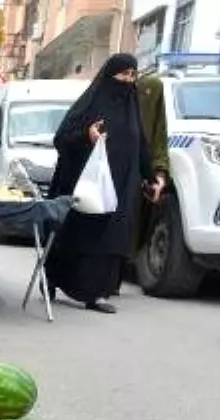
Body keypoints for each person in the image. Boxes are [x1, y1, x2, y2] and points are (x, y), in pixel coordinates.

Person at [45, 53, 162, 314]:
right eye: (123, 74)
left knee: (111, 237)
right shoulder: (89, 104)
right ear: (110, 76)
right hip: (84, 185)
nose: (128, 80)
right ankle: (52, 280)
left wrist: (151, 178)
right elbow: (61, 138)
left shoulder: (132, 111)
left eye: (133, 75)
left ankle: (97, 293)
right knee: (77, 235)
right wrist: (87, 136)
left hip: (120, 188)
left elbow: (140, 146)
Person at [128, 73, 171, 285]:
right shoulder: (118, 101)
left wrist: (159, 175)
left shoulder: (158, 116)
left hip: (138, 177)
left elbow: (158, 141)